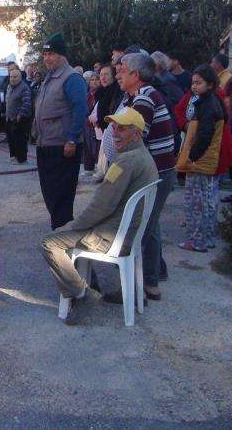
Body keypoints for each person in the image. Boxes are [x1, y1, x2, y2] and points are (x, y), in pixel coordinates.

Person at [40, 110, 158, 325]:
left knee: (50, 242)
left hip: (113, 236)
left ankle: (82, 294)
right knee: (71, 234)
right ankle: (116, 291)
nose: (114, 132)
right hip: (129, 234)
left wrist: (71, 226)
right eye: (113, 127)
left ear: (137, 134)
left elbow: (100, 207)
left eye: (121, 128)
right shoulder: (145, 158)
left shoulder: (125, 163)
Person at [99, 53, 177, 299]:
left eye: (123, 69)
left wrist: (117, 174)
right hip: (157, 171)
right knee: (149, 226)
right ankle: (150, 284)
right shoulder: (137, 96)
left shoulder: (144, 99)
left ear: (136, 75)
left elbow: (133, 142)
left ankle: (135, 289)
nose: (118, 73)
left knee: (139, 228)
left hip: (154, 173)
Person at [33, 33, 88, 230]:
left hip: (63, 146)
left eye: (52, 54)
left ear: (62, 55)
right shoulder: (50, 77)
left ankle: (63, 239)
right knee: (50, 194)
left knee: (61, 196)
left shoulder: (71, 78)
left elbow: (80, 109)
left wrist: (72, 139)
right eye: (45, 54)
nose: (47, 58)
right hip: (46, 144)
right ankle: (60, 232)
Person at [177, 65, 227, 253]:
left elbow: (204, 135)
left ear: (211, 84)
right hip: (208, 161)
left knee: (196, 203)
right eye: (193, 83)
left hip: (201, 162)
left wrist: (191, 157)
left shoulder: (207, 106)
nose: (194, 87)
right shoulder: (213, 102)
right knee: (207, 201)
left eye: (199, 83)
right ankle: (207, 238)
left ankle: (197, 241)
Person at [5, 67, 32, 164]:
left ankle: (22, 159)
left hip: (19, 119)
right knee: (11, 139)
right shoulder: (9, 87)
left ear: (20, 77)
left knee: (20, 140)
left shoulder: (24, 88)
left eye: (15, 77)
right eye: (11, 77)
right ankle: (14, 156)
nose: (12, 79)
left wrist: (20, 115)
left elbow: (27, 103)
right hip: (9, 118)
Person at [82, 71, 101, 174]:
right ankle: (88, 168)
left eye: (96, 80)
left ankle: (99, 167)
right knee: (87, 147)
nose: (94, 82)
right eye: (92, 80)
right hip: (86, 124)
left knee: (96, 148)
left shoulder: (101, 94)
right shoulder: (87, 95)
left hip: (96, 125)